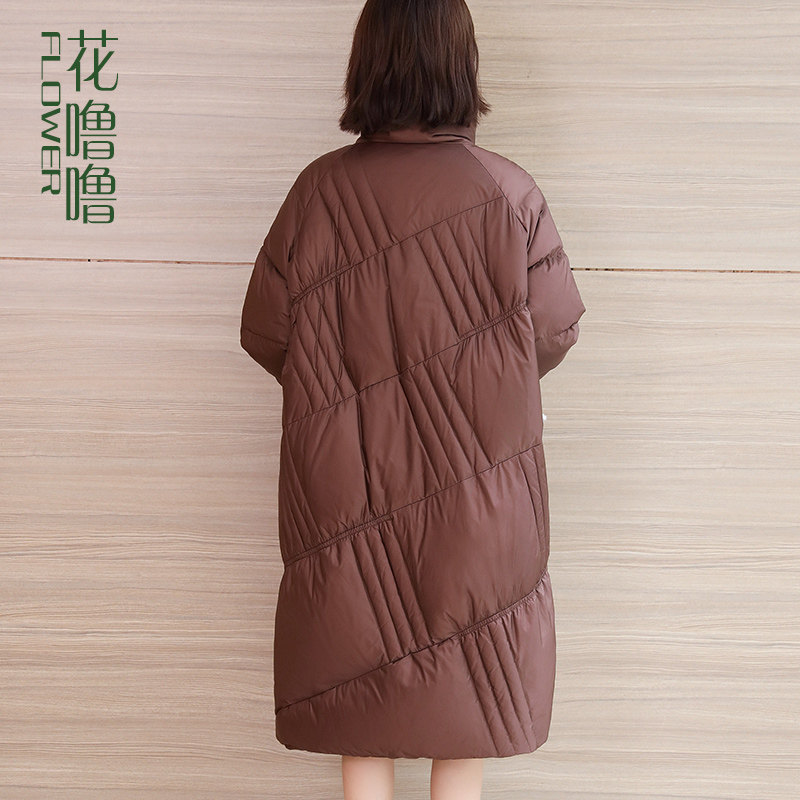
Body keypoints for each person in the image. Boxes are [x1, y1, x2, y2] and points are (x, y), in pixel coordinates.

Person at [240, 1, 585, 798]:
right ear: (461, 64)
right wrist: (484, 380)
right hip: (480, 489)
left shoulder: (318, 192)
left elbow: (267, 332)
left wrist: (341, 390)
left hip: (345, 491)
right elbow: (554, 330)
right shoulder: (507, 191)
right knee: (465, 710)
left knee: (362, 707)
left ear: (367, 63)